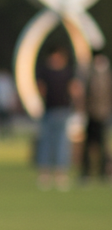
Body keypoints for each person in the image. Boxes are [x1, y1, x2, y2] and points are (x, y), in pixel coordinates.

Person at [36, 45, 78, 190]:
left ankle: (61, 174)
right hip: (49, 110)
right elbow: (41, 88)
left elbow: (74, 88)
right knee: (46, 143)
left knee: (62, 144)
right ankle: (45, 174)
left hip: (63, 110)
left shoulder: (68, 72)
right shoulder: (45, 71)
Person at [81, 52, 112, 181]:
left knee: (103, 145)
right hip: (92, 114)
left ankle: (104, 172)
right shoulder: (90, 74)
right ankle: (86, 172)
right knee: (89, 144)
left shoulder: (107, 76)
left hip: (103, 114)